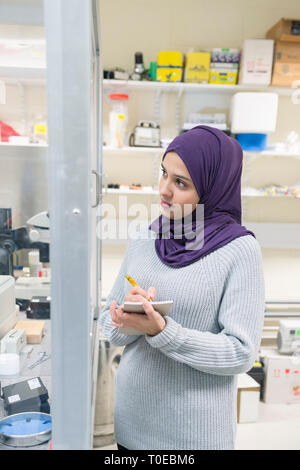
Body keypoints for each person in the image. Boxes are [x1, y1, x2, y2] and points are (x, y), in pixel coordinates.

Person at [100, 125, 265, 450]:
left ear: (212, 188)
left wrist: (163, 332)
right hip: (132, 427)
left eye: (180, 183)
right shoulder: (146, 237)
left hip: (193, 436)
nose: (163, 190)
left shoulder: (239, 250)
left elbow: (241, 352)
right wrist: (127, 318)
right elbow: (110, 325)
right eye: (163, 173)